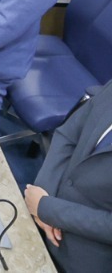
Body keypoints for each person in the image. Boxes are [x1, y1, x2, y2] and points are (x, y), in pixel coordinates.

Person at [27, 79, 112, 271]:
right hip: (39, 207)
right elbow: (69, 133)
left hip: (80, 258)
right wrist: (43, 191)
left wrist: (48, 209)